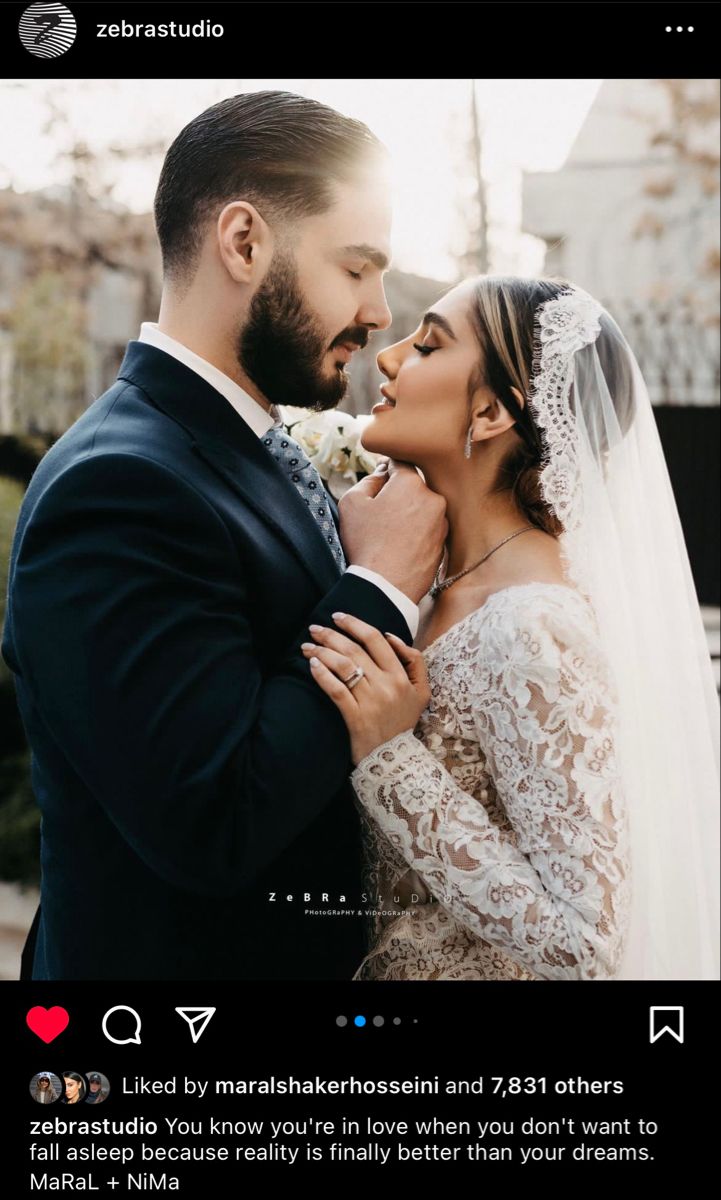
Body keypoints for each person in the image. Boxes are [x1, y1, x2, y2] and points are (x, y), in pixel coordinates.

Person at [1, 91, 447, 980]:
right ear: (244, 243)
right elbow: (213, 821)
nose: (380, 311)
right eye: (357, 268)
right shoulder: (119, 486)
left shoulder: (243, 447)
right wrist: (380, 588)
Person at [304, 274, 720, 981]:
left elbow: (589, 944)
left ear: (492, 410)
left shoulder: (532, 626)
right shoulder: (433, 584)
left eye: (428, 344)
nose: (389, 357)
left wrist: (389, 757)